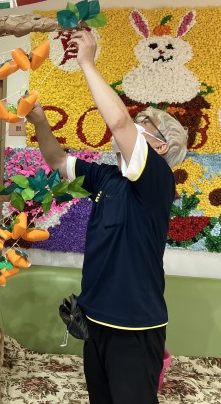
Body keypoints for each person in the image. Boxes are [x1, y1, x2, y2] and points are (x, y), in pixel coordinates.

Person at [26, 29, 188, 404]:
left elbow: (119, 124)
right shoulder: (107, 177)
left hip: (135, 327)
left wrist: (86, 61)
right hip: (95, 321)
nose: (133, 125)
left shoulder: (157, 180)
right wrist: (39, 123)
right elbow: (56, 161)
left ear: (160, 146)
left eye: (143, 123)